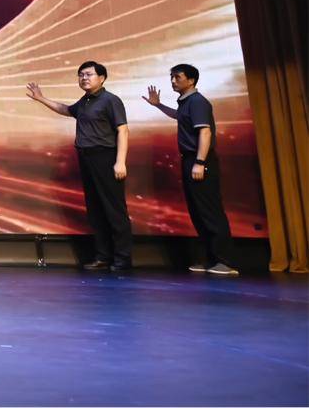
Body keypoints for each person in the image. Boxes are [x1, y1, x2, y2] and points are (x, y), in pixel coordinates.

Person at [28, 61, 133, 271]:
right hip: (87, 158)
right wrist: (41, 98)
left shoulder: (110, 100)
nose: (84, 78)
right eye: (81, 75)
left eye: (89, 74)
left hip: (106, 157)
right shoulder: (85, 101)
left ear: (102, 78)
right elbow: (67, 110)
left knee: (114, 210)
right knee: (95, 210)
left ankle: (122, 259)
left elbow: (123, 130)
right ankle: (103, 257)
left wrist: (120, 161)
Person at [144, 64, 238, 275]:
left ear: (191, 80)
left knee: (210, 211)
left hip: (200, 160)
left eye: (177, 77)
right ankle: (211, 259)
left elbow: (205, 133)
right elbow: (179, 116)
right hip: (190, 160)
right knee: (198, 211)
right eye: (172, 77)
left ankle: (224, 261)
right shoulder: (186, 102)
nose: (173, 81)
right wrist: (158, 105)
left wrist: (200, 162)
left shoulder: (197, 102)